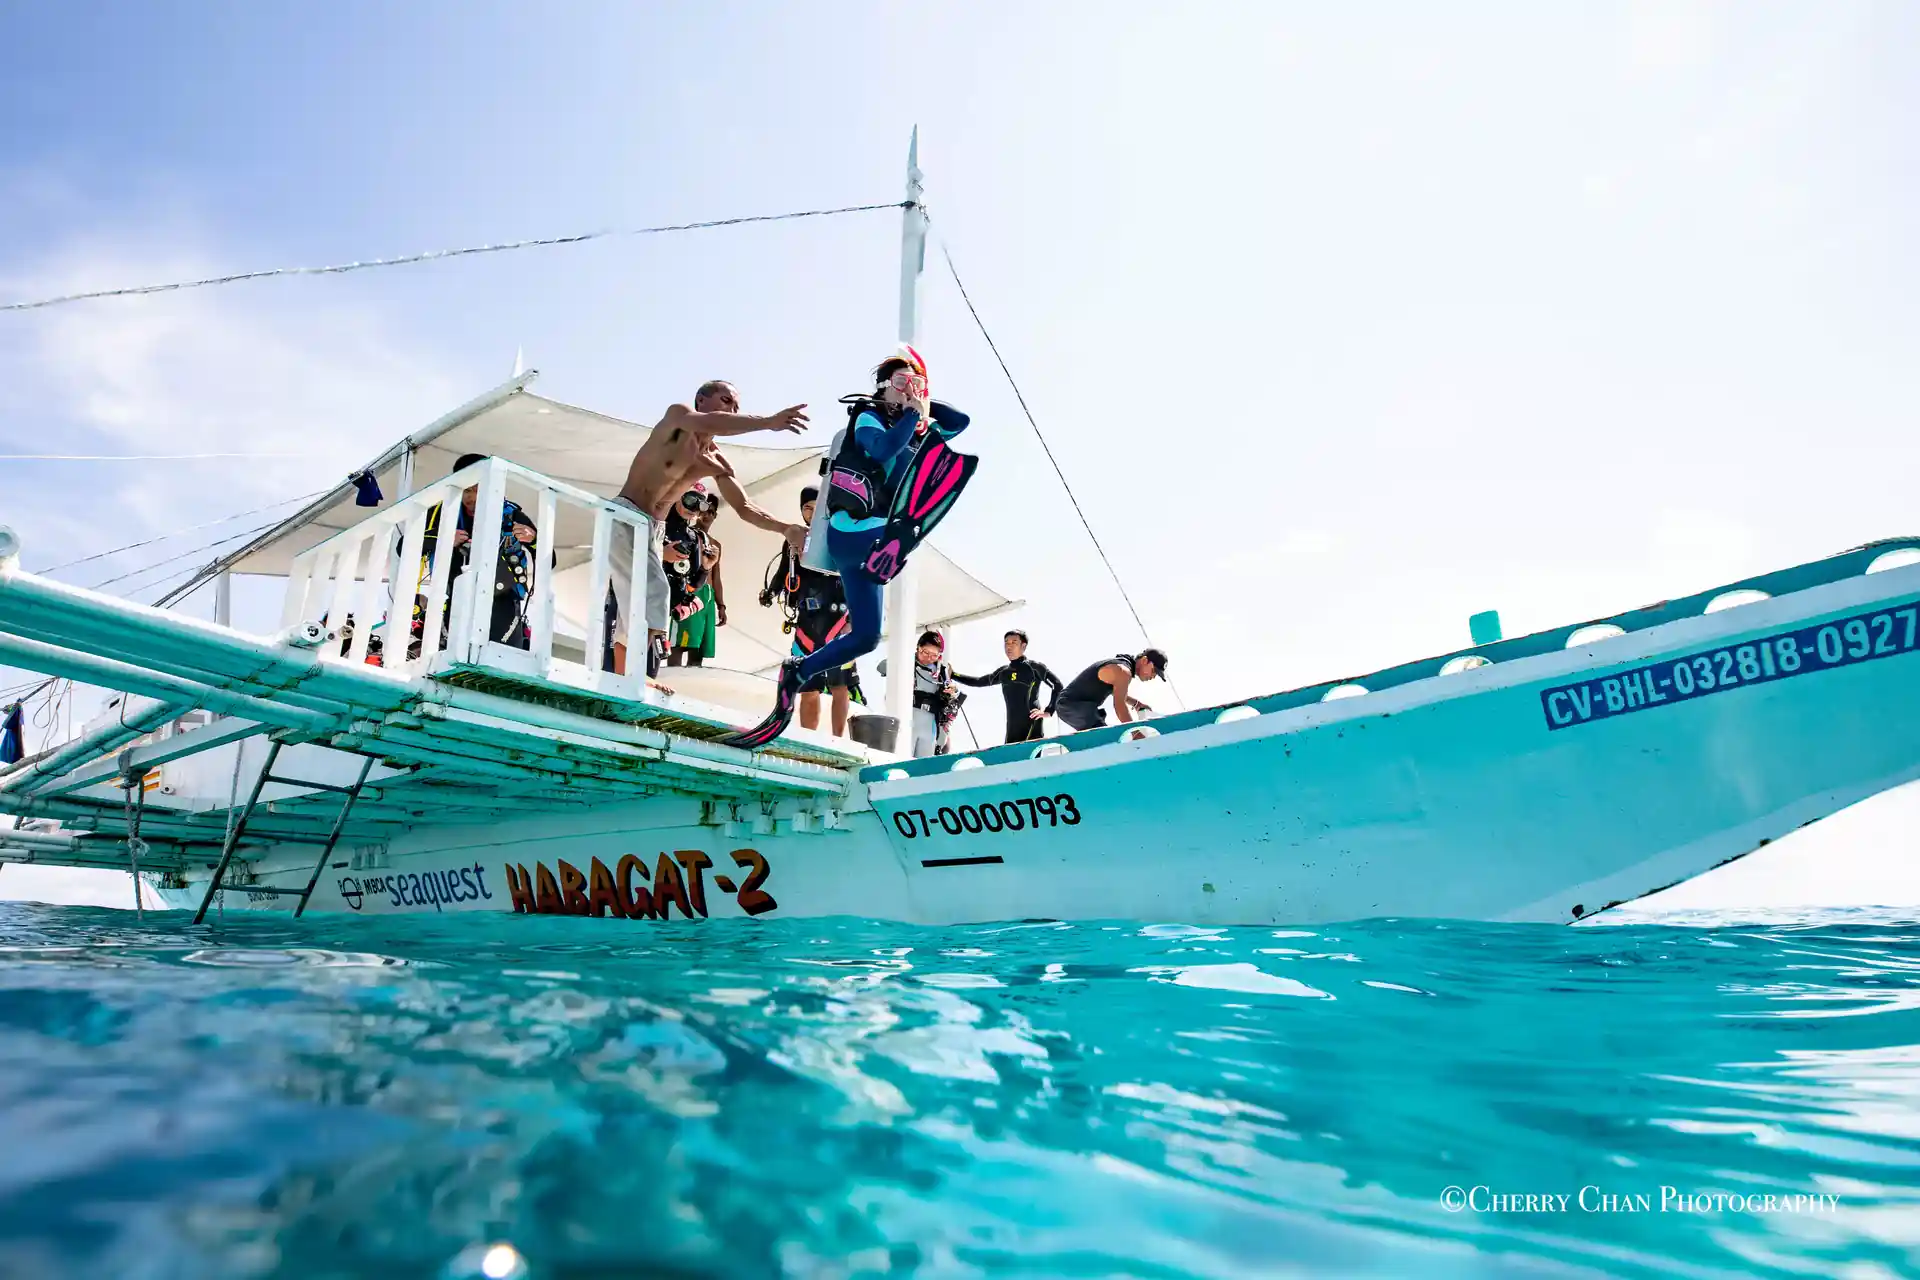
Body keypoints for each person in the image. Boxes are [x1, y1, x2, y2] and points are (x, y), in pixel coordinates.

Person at [727, 347, 977, 749]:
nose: (909, 390)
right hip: (854, 532)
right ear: (881, 389)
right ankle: (898, 542)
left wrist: (919, 399)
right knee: (905, 523)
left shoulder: (915, 426)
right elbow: (880, 451)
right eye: (900, 383)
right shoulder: (869, 417)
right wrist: (910, 410)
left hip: (879, 544)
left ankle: (798, 670)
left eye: (914, 383)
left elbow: (959, 422)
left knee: (866, 637)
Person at [607, 380, 811, 679]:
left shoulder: (715, 461)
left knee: (638, 607)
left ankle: (627, 680)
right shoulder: (678, 418)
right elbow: (715, 421)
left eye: (736, 406)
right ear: (701, 400)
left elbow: (745, 508)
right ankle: (638, 679)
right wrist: (768, 422)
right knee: (655, 593)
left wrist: (785, 529)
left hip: (655, 528)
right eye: (726, 400)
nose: (731, 409)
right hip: (628, 512)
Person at [406, 452, 539, 656]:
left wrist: (534, 539)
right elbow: (402, 547)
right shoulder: (440, 513)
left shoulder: (512, 514)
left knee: (504, 658)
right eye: (466, 490)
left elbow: (551, 559)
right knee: (456, 655)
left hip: (504, 600)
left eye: (477, 489)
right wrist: (441, 541)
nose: (471, 497)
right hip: (456, 596)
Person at [763, 486, 863, 736]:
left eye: (816, 506)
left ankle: (837, 739)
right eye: (806, 507)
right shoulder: (794, 538)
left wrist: (854, 615)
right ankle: (810, 738)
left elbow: (857, 576)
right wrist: (771, 592)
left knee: (840, 685)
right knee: (808, 686)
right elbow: (783, 573)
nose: (811, 512)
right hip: (807, 620)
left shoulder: (841, 534)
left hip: (838, 619)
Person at [955, 629, 1064, 744]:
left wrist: (1049, 711)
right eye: (1006, 642)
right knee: (1010, 760)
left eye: (1014, 642)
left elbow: (1057, 685)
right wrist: (953, 675)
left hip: (1032, 725)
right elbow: (978, 681)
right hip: (1012, 729)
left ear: (1023, 646)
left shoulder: (1034, 668)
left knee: (1029, 761)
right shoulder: (1003, 672)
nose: (1009, 646)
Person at [880, 631, 964, 756]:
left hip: (930, 726)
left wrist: (953, 691)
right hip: (907, 723)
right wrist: (901, 660)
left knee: (923, 766)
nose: (929, 658)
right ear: (918, 647)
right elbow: (880, 667)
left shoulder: (941, 672)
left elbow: (951, 698)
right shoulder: (908, 662)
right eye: (925, 652)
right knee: (902, 759)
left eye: (934, 655)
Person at [671, 493, 726, 668]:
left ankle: (689, 688)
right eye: (704, 510)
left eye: (711, 512)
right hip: (690, 591)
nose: (707, 515)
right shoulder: (688, 535)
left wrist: (721, 605)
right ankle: (673, 680)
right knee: (680, 643)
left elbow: (716, 576)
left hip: (708, 597)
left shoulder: (716, 544)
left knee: (699, 649)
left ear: (715, 515)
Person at [1054, 649, 1169, 732]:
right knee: (1103, 733)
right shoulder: (1123, 671)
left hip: (1075, 706)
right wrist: (1136, 732)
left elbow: (1118, 693)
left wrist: (1137, 704)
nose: (1153, 676)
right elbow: (1119, 706)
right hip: (1071, 705)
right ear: (1144, 661)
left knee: (1101, 728)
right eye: (1154, 671)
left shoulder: (1122, 667)